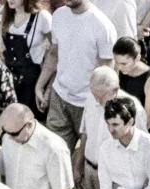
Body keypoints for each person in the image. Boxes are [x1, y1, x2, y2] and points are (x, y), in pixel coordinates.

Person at [36, 0, 118, 154]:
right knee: (53, 154)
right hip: (59, 98)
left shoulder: (102, 26)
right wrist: (41, 84)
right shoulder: (59, 16)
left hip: (87, 104)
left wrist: (99, 108)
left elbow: (107, 73)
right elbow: (54, 53)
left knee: (85, 159)